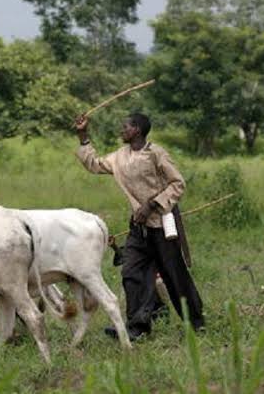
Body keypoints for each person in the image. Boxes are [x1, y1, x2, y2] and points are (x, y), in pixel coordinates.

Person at [74, 112, 204, 340]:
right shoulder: (119, 156)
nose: (121, 130)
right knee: (131, 273)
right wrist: (83, 136)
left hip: (163, 225)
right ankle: (137, 326)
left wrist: (151, 205)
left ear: (137, 130)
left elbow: (178, 184)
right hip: (138, 228)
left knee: (174, 276)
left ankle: (196, 323)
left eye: (126, 127)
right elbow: (94, 165)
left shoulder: (156, 153)